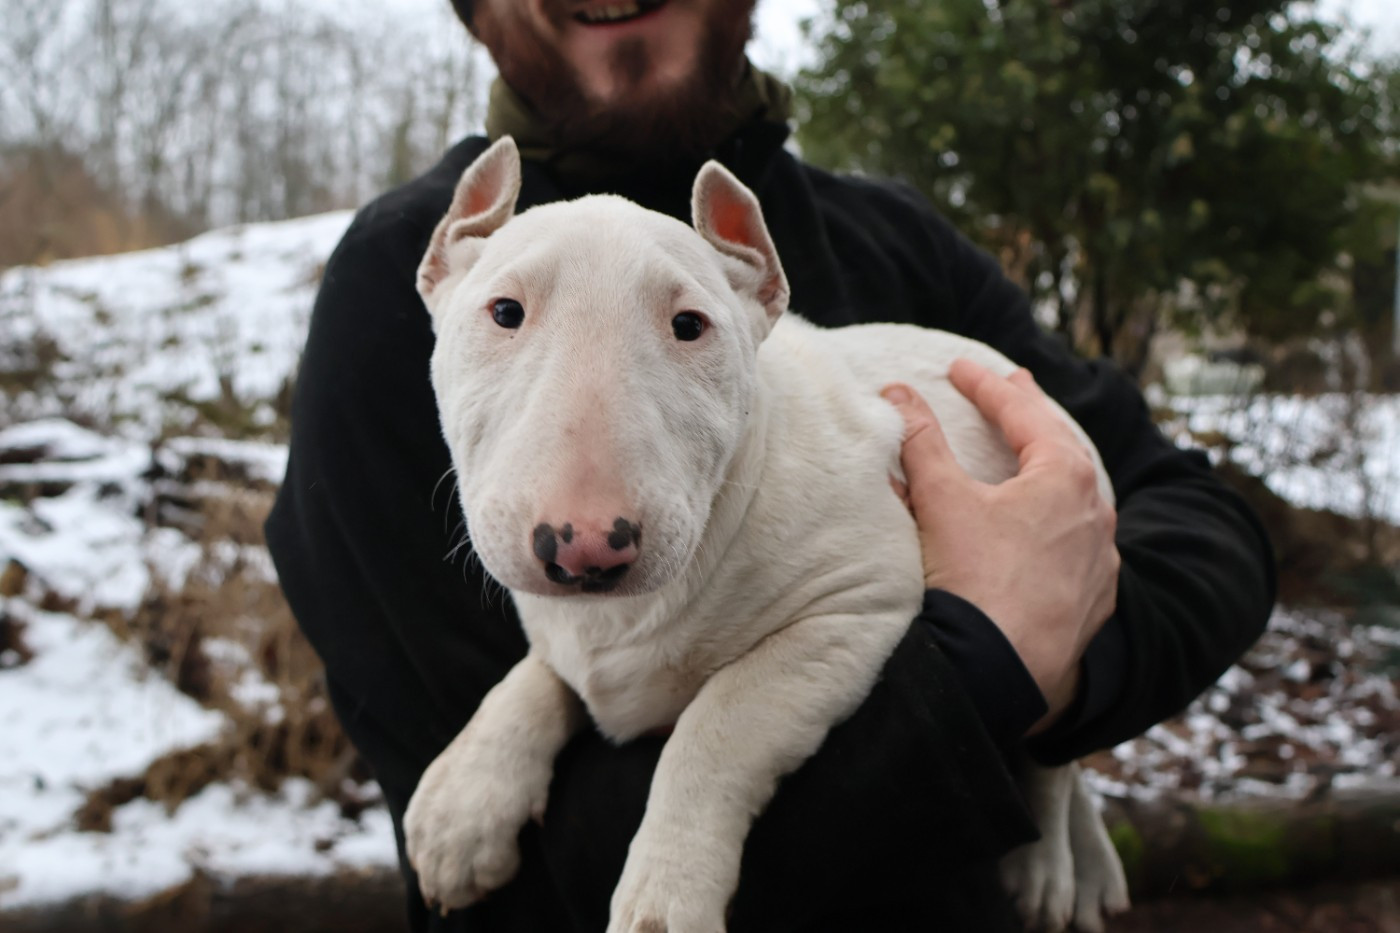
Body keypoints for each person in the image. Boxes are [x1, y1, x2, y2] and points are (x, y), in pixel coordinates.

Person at [264, 0, 1275, 929]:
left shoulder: (898, 241)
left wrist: (1065, 686)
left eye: (688, 326)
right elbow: (528, 887)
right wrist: (984, 672)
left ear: (756, 286)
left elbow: (1187, 518)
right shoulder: (388, 295)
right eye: (509, 319)